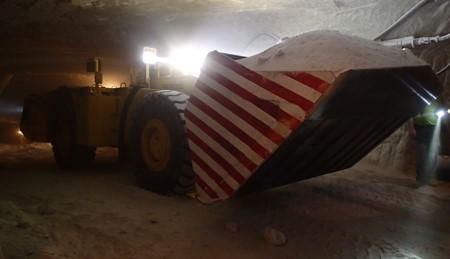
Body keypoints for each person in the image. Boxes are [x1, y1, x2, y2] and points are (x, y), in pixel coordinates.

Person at [408, 98, 442, 187]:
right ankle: (419, 179)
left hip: (433, 129)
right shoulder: (418, 99)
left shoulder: (437, 101)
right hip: (420, 129)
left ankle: (427, 179)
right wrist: (411, 128)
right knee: (421, 156)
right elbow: (410, 114)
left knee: (432, 156)